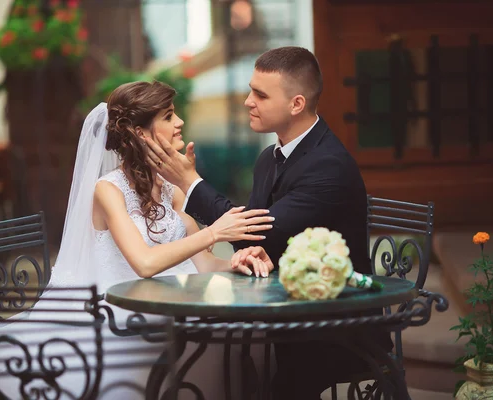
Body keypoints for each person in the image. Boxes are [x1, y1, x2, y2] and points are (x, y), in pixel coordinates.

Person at [0, 81, 274, 400]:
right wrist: (214, 232)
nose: (180, 123)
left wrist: (236, 262)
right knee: (208, 335)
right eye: (169, 116)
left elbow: (201, 262)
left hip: (170, 305)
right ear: (142, 133)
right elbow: (144, 263)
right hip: (118, 314)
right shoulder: (108, 190)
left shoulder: (171, 189)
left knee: (240, 327)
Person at [144, 46, 393, 399]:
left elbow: (256, 229)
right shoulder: (268, 158)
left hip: (335, 329)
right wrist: (248, 253)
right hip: (282, 315)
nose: (248, 101)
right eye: (250, 90)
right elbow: (252, 239)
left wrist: (189, 182)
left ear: (297, 104)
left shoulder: (328, 166)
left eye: (260, 94)